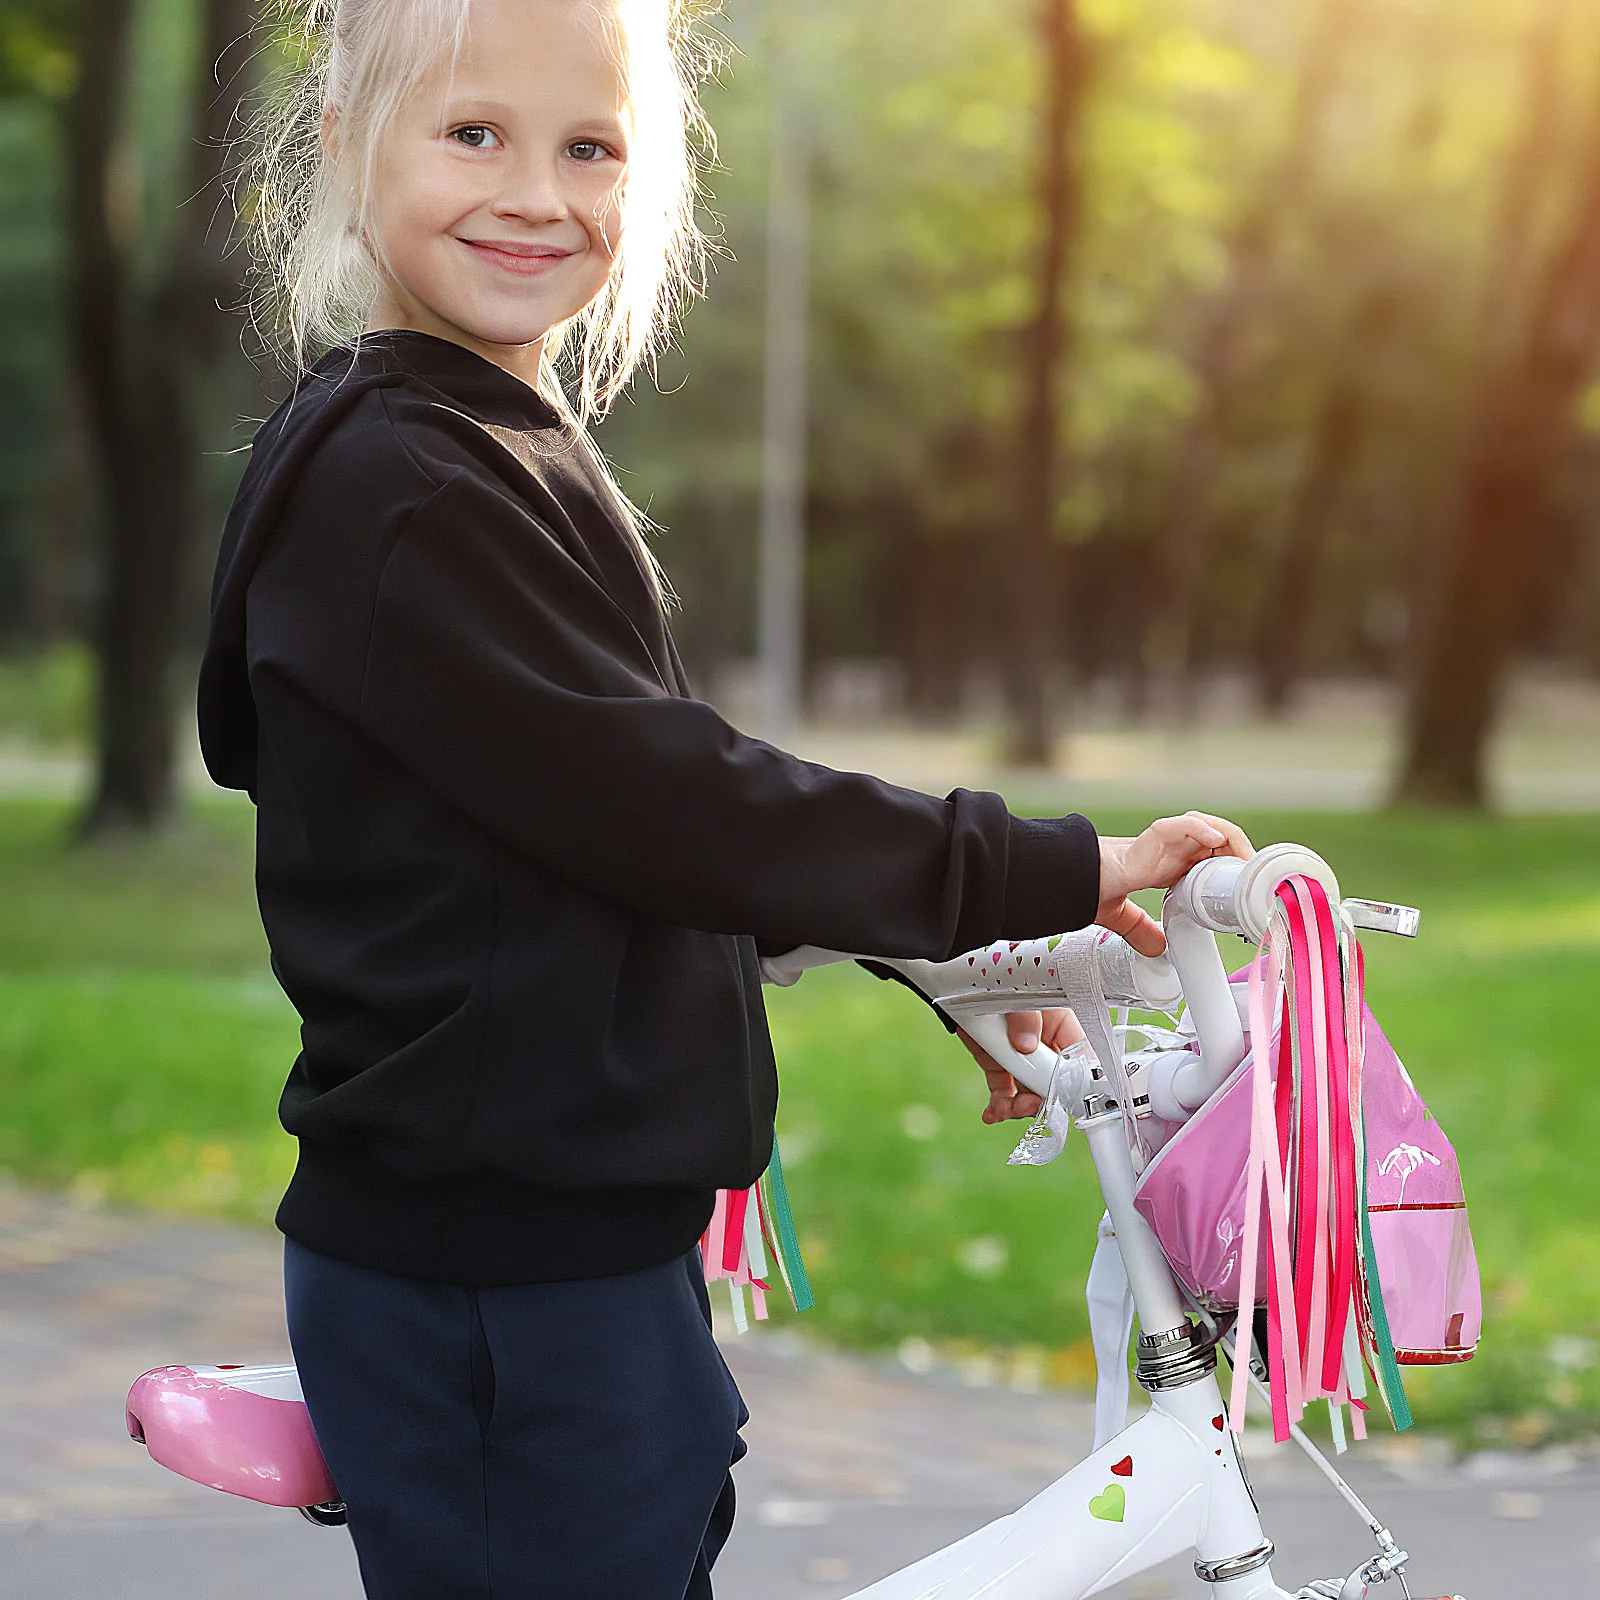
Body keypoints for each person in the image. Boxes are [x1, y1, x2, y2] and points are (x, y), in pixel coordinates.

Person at [196, 2, 1251, 1595]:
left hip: (555, 1250)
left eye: (589, 148)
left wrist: (937, 952)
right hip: (499, 1276)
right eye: (474, 134)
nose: (536, 193)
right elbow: (675, 804)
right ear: (346, 147)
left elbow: (586, 837)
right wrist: (1029, 866)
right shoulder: (406, 483)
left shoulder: (483, 448)